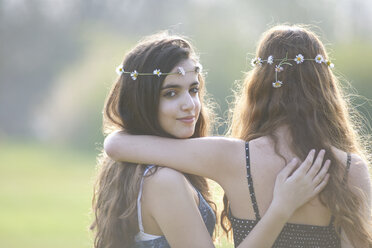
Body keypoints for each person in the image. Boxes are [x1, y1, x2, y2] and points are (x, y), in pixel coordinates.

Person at [104, 25, 372, 247]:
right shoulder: (351, 169)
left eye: (194, 90)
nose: (190, 104)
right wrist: (281, 206)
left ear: (258, 85)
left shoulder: (233, 156)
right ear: (325, 87)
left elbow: (116, 144)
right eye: (171, 93)